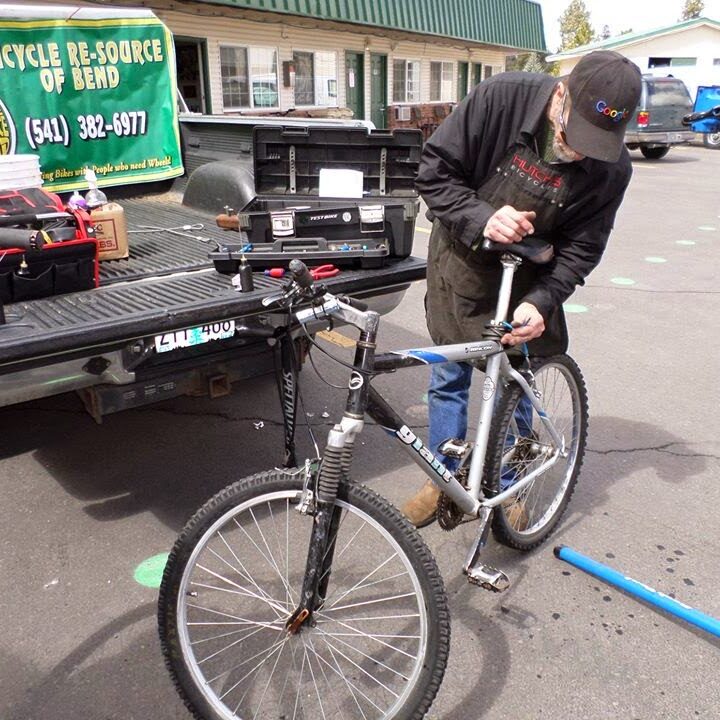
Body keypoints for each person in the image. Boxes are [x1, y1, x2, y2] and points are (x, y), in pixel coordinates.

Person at [402, 50, 642, 527]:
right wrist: (483, 218)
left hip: (530, 275)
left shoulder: (613, 169)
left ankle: (509, 480)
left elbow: (582, 249)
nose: (577, 152)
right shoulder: (500, 99)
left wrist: (544, 301)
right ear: (560, 95)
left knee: (518, 379)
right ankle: (443, 475)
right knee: (450, 373)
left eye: (594, 144)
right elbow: (433, 173)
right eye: (572, 135)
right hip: (463, 258)